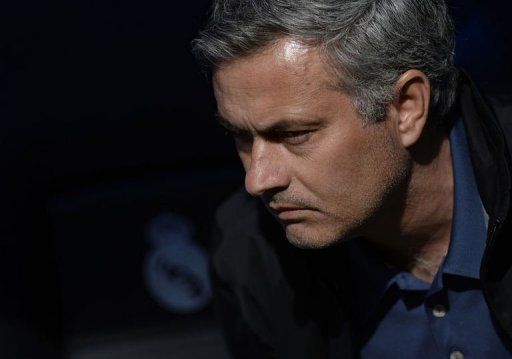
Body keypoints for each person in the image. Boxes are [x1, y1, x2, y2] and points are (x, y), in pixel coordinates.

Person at [192, 0, 512, 358]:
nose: (258, 179)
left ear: (407, 107)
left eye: (295, 134)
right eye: (242, 137)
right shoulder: (251, 256)